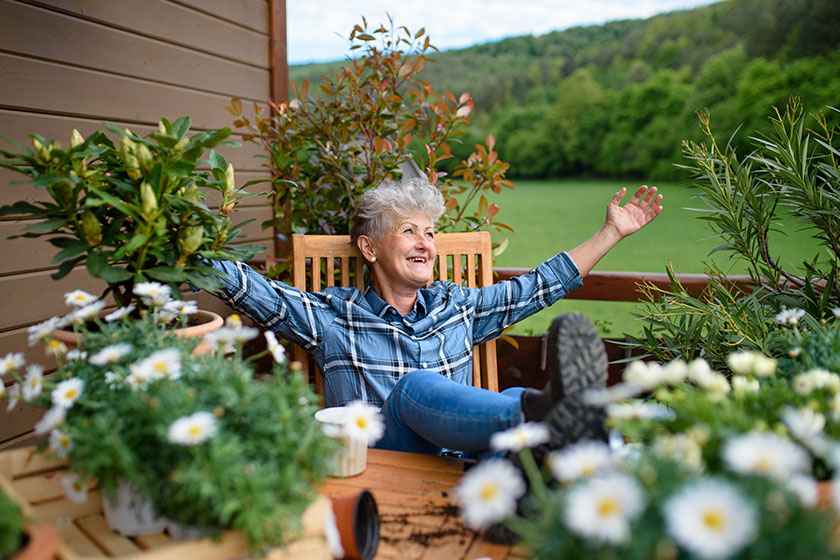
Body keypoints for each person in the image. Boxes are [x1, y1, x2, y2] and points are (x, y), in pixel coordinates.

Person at [209, 178, 662, 456]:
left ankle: (569, 425)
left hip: (467, 467)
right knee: (415, 389)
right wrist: (181, 246)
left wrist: (611, 233)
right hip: (385, 464)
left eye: (430, 232)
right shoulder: (332, 316)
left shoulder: (458, 306)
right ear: (369, 249)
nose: (426, 243)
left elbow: (540, 286)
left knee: (523, 402)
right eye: (409, 232)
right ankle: (551, 417)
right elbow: (254, 291)